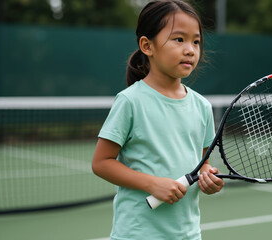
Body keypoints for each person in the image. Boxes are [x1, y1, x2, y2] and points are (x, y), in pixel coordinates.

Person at [91, 1, 225, 239]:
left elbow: (203, 161)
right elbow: (101, 162)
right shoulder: (130, 101)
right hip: (137, 233)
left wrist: (208, 176)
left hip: (188, 234)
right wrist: (152, 184)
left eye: (196, 41)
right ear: (147, 46)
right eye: (179, 39)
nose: (190, 49)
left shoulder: (202, 106)